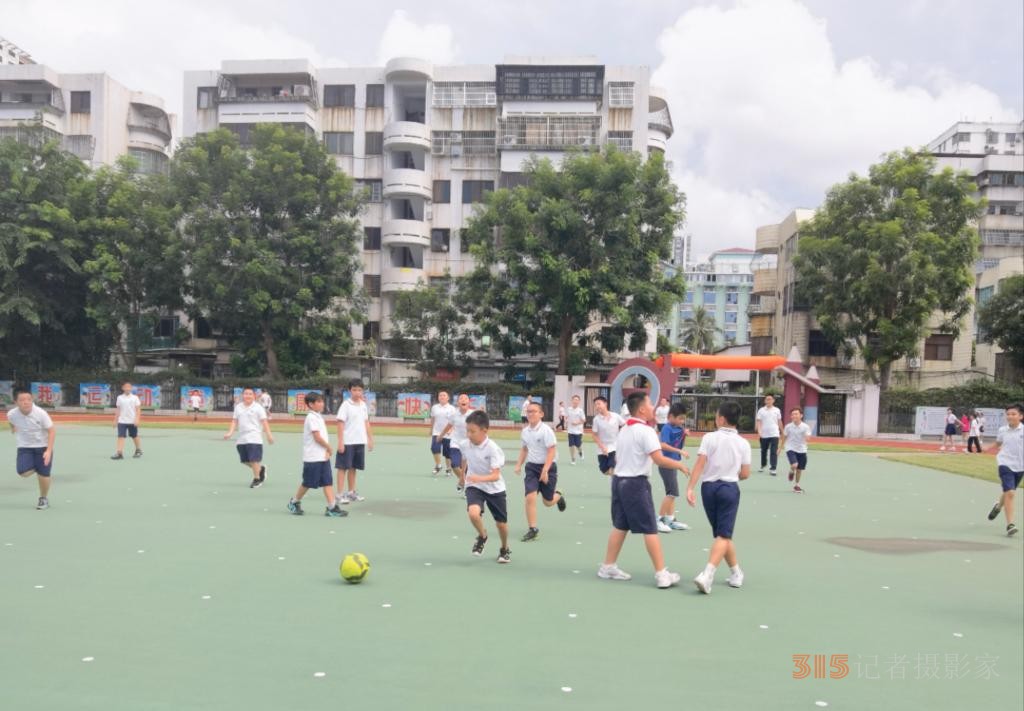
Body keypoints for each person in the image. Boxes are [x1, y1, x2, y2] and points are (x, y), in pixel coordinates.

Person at [597, 391, 687, 589]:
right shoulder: (646, 431)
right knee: (650, 528)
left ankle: (608, 566)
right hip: (635, 484)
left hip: (619, 481)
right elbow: (659, 459)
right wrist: (679, 465)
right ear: (641, 409)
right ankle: (662, 574)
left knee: (620, 526)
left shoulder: (625, 430)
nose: (653, 408)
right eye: (650, 404)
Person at [686, 400, 751, 594]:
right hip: (729, 488)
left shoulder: (709, 438)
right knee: (723, 535)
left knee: (722, 534)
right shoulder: (743, 443)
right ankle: (729, 573)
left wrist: (690, 487)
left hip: (708, 489)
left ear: (721, 418)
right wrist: (732, 476)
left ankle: (716, 574)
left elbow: (700, 464)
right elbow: (746, 473)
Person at [462, 410, 511, 563]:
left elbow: (496, 475)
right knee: (473, 513)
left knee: (501, 525)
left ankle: (504, 549)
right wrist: (463, 478)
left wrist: (479, 478)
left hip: (494, 488)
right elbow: (465, 460)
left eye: (473, 431)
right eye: (467, 430)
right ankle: (482, 536)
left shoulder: (493, 449)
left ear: (484, 430)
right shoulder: (465, 444)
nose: (469, 434)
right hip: (474, 486)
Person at [514, 401, 567, 542]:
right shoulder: (525, 431)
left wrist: (545, 470)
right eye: (529, 411)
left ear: (541, 414)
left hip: (548, 468)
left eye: (534, 411)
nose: (531, 414)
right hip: (532, 467)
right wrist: (518, 464)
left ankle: (558, 496)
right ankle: (533, 529)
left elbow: (551, 451)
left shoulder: (546, 431)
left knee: (548, 502)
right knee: (530, 497)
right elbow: (524, 449)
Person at [288, 392, 346, 517]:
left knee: (327, 482)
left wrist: (326, 450)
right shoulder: (311, 417)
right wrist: (329, 448)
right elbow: (317, 437)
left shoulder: (318, 416)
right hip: (312, 457)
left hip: (322, 457)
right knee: (308, 483)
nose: (322, 404)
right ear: (311, 404)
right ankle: (294, 502)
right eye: (318, 402)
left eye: (322, 401)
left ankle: (332, 507)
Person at [7, 389, 55, 510]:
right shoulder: (12, 414)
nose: (26, 402)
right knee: (22, 472)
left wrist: (48, 451)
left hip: (42, 447)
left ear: (32, 400)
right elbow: (11, 421)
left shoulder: (40, 413)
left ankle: (43, 499)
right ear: (16, 402)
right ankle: (40, 467)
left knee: (44, 474)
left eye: (28, 399)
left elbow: (51, 430)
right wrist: (13, 428)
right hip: (25, 447)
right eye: (22, 400)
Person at [223, 386, 273, 488]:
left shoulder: (258, 408)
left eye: (250, 394)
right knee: (245, 461)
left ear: (254, 396)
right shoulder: (238, 407)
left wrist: (269, 435)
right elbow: (235, 421)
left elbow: (264, 422)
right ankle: (261, 469)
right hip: (242, 438)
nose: (248, 396)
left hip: (254, 437)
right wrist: (230, 433)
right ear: (243, 395)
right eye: (246, 394)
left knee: (254, 459)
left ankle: (257, 479)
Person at [986, 403, 1023, 537]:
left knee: (1008, 493)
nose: (1010, 416)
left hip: (1020, 466)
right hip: (1004, 463)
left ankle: (998, 507)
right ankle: (1010, 525)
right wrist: (987, 448)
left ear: (1021, 416)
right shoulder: (1002, 430)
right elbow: (998, 443)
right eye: (1008, 414)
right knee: (1011, 493)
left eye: (1013, 414)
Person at [334, 380, 374, 504]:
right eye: (354, 390)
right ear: (350, 391)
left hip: (359, 441)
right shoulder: (346, 405)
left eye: (360, 390)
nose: (357, 392)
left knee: (354, 467)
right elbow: (340, 423)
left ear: (363, 391)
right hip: (347, 441)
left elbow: (366, 422)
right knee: (342, 468)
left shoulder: (363, 405)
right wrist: (340, 442)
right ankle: (340, 494)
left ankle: (351, 492)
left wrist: (370, 439)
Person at [656, 402, 690, 531]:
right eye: (680, 418)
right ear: (671, 416)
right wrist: (679, 452)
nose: (682, 421)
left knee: (671, 493)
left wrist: (684, 436)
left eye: (683, 419)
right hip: (666, 463)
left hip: (674, 463)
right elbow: (663, 445)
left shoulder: (680, 429)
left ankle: (670, 520)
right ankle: (658, 519)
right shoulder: (666, 428)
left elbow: (679, 446)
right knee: (673, 493)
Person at [780, 407, 812, 493]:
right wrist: (779, 448)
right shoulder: (788, 427)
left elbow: (808, 437)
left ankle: (796, 485)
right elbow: (784, 437)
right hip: (790, 448)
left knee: (799, 469)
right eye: (792, 414)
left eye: (796, 414)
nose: (794, 416)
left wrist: (807, 437)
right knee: (794, 465)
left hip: (802, 449)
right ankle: (791, 471)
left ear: (801, 415)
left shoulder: (805, 427)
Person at [591, 396, 624, 476]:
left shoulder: (615, 416)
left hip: (615, 446)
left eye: (599, 404)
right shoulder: (596, 419)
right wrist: (603, 447)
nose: (597, 406)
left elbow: (625, 425)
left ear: (605, 404)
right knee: (604, 470)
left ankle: (618, 485)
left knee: (613, 466)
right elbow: (594, 435)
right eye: (595, 405)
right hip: (602, 448)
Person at [447, 394, 472, 495]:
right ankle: (464, 481)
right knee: (454, 464)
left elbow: (480, 426)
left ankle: (466, 484)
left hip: (469, 445)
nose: (463, 400)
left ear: (469, 402)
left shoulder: (473, 414)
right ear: (458, 402)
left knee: (467, 469)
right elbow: (449, 425)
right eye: (461, 398)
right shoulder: (454, 414)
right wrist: (441, 435)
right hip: (455, 443)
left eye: (465, 398)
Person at [111, 381, 142, 460]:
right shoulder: (120, 397)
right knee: (121, 436)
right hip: (122, 421)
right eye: (126, 387)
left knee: (134, 436)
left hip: (132, 421)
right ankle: (119, 453)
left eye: (129, 387)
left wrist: (137, 419)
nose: (127, 388)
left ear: (131, 388)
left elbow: (138, 409)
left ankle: (138, 450)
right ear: (123, 388)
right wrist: (115, 420)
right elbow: (118, 410)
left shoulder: (135, 398)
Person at [429, 391, 457, 476]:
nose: (442, 397)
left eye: (444, 395)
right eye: (440, 395)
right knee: (434, 448)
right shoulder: (434, 407)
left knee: (447, 453)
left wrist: (451, 430)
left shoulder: (452, 408)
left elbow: (454, 421)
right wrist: (431, 429)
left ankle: (448, 469)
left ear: (448, 398)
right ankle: (438, 465)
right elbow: (433, 419)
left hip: (448, 434)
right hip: (437, 432)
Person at [755, 394, 782, 475]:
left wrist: (782, 431)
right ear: (765, 401)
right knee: (763, 451)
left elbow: (779, 421)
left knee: (773, 451)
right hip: (764, 434)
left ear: (773, 400)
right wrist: (759, 431)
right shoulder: (761, 410)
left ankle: (773, 468)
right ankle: (763, 465)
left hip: (774, 434)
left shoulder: (777, 410)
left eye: (770, 399)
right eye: (767, 399)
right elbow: (759, 422)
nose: (769, 401)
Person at [566, 394, 586, 464]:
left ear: (579, 401)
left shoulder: (580, 411)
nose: (575, 401)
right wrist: (566, 420)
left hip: (578, 431)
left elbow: (583, 420)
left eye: (577, 400)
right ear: (572, 400)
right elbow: (566, 417)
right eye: (574, 400)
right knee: (571, 445)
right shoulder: (568, 409)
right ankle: (573, 459)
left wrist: (577, 423)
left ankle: (580, 452)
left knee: (578, 445)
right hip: (570, 431)